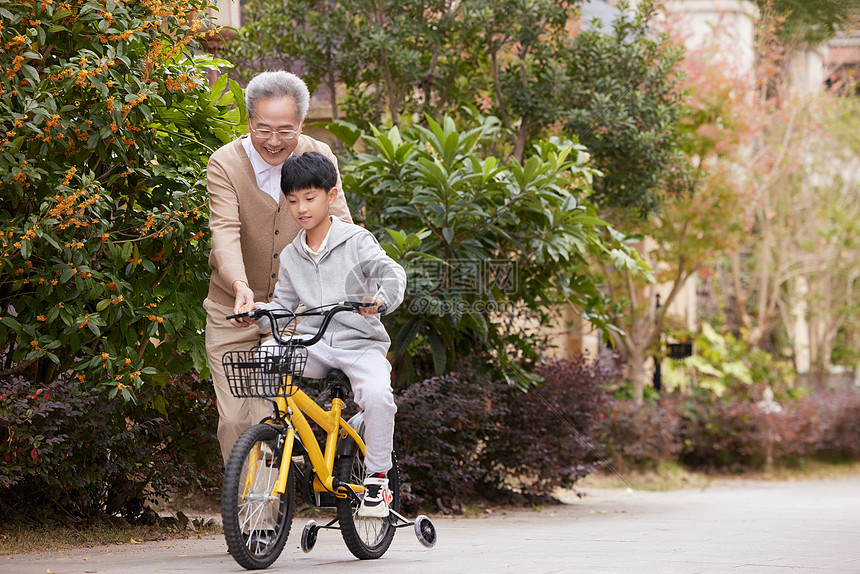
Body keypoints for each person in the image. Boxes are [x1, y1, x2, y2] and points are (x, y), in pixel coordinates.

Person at [244, 151, 406, 518]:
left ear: (331, 196)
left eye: (310, 198)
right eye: (293, 200)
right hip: (313, 344)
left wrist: (380, 301)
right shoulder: (291, 256)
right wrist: (255, 314)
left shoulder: (357, 240)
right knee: (265, 355)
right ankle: (290, 435)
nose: (301, 208)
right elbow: (282, 309)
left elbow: (392, 273)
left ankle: (378, 478)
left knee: (379, 396)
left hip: (359, 344)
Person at [204, 71, 353, 467]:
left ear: (301, 125)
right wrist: (239, 285)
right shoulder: (224, 164)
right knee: (235, 418)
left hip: (292, 314)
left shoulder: (319, 155)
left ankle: (263, 525)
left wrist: (360, 285)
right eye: (263, 128)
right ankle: (247, 520)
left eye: (285, 130)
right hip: (232, 310)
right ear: (248, 121)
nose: (274, 141)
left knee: (269, 416)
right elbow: (225, 230)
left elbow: (340, 226)